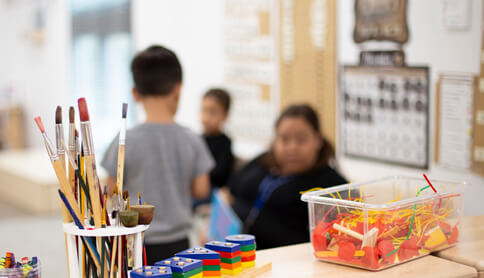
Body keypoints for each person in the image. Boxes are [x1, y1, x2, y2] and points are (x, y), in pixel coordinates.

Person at [102, 45, 214, 263]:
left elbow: (108, 193)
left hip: (134, 242)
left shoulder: (125, 139)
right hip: (179, 243)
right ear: (178, 89)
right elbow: (202, 189)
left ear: (135, 93)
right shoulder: (191, 139)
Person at [229, 104, 346, 250]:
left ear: (318, 139)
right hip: (230, 249)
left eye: (301, 140)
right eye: (284, 139)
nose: (292, 147)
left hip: (277, 261)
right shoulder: (262, 162)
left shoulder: (332, 187)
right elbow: (230, 189)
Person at [200, 88, 234, 189]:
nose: (206, 117)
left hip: (212, 190)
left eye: (213, 112)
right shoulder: (197, 140)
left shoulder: (225, 143)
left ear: (225, 116)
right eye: (204, 110)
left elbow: (218, 175)